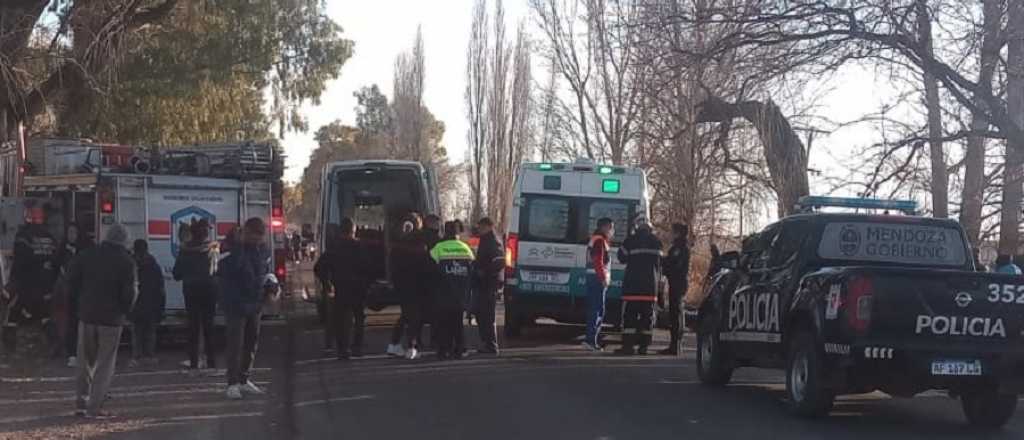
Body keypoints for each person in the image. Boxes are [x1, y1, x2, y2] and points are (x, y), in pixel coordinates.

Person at [66, 224, 137, 418]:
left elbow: (71, 280)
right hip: (111, 320)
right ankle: (94, 408)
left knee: (84, 362)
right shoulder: (126, 261)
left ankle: (81, 403)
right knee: (104, 364)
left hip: (87, 316)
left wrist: (80, 304)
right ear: (124, 240)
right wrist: (125, 312)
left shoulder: (87, 254)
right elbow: (130, 294)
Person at [219, 217, 279, 400]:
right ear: (246, 232)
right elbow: (226, 269)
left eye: (260, 238)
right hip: (235, 303)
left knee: (251, 343)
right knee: (235, 345)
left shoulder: (262, 249)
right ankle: (232, 383)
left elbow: (267, 272)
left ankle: (244, 379)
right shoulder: (229, 246)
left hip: (255, 303)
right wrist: (239, 247)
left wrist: (271, 288)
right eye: (254, 237)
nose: (257, 241)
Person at [4, 207, 59, 355]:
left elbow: (19, 263)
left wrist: (11, 284)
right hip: (46, 286)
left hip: (27, 286)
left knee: (12, 314)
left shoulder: (23, 236)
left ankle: (8, 348)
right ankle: (55, 343)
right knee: (44, 315)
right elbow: (56, 262)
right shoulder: (50, 237)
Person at [315, 218, 370, 360]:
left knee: (340, 319)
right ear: (354, 230)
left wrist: (327, 283)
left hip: (340, 287)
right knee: (359, 317)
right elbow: (370, 267)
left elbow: (319, 267)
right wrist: (367, 283)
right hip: (358, 288)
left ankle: (342, 349)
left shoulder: (334, 248)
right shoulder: (360, 247)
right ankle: (357, 347)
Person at [173, 219, 220, 375]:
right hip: (210, 292)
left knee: (193, 328)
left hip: (191, 291)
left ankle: (194, 363)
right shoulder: (213, 249)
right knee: (209, 327)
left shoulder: (184, 251)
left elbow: (176, 274)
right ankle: (211, 363)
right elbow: (217, 271)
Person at [615, 217, 663, 356]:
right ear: (650, 229)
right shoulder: (656, 242)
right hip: (649, 287)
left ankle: (628, 347)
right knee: (647, 318)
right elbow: (661, 264)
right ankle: (644, 347)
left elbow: (621, 257)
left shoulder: (630, 240)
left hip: (632, 287)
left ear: (637, 228)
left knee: (630, 317)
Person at [430, 221, 475, 360]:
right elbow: (472, 271)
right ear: (458, 233)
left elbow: (429, 269)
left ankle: (443, 351)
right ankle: (460, 349)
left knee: (443, 323)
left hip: (442, 292)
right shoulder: (466, 249)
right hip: (461, 294)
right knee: (457, 323)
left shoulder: (438, 248)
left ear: (445, 232)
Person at [54, 223, 93, 367]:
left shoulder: (85, 248)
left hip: (82, 290)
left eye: (73, 232)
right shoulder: (63, 248)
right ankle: (72, 353)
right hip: (69, 291)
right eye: (69, 232)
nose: (71, 235)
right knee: (71, 321)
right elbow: (56, 263)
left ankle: (83, 352)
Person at [130, 239, 165, 368]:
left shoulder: (131, 264)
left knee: (137, 332)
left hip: (135, 303)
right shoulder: (153, 265)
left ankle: (137, 356)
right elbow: (160, 287)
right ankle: (149, 356)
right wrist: (161, 306)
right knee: (150, 332)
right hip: (151, 303)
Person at [473, 217, 504, 355]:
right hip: (483, 284)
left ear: (487, 226)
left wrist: (484, 272)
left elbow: (499, 261)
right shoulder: (486, 240)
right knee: (480, 314)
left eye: (480, 226)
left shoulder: (493, 241)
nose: (478, 229)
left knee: (487, 316)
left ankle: (491, 345)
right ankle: (487, 343)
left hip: (488, 284)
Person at [583, 218, 614, 352]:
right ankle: (591, 340)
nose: (612, 231)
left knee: (595, 308)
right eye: (611, 227)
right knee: (597, 309)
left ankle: (591, 339)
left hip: (593, 278)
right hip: (597, 279)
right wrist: (603, 278)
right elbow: (598, 261)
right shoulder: (600, 241)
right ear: (605, 227)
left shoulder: (596, 239)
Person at [660, 223, 690, 356]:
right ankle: (674, 344)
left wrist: (663, 262)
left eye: (672, 232)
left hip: (678, 282)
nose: (670, 234)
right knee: (675, 312)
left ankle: (676, 345)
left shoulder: (680, 248)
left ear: (677, 233)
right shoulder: (679, 247)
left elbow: (674, 265)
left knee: (676, 313)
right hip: (677, 282)